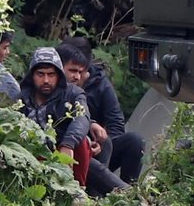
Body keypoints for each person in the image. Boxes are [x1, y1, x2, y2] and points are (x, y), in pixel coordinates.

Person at [18, 47, 127, 198]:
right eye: (40, 74)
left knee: (85, 143)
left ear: (58, 75)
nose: (46, 80)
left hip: (65, 155)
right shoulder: (20, 98)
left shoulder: (73, 93)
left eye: (51, 74)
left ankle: (82, 194)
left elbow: (82, 118)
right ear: (32, 76)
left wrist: (68, 144)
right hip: (31, 156)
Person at [60, 36, 146, 183]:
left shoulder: (100, 84)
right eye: (72, 70)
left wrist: (100, 144)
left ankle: (128, 189)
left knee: (134, 141)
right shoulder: (53, 84)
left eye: (80, 71)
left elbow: (116, 125)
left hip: (98, 149)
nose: (76, 76)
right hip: (68, 147)